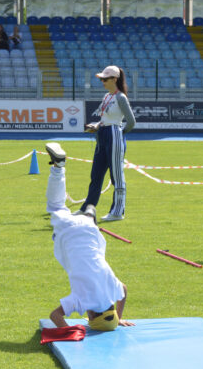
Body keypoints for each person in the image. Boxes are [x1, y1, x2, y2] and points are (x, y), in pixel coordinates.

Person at [43, 142, 134, 330]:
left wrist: (120, 316)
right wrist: (69, 332)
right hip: (68, 233)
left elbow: (124, 291)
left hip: (91, 231)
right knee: (56, 206)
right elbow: (54, 316)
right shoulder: (84, 302)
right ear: (92, 314)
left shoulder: (113, 290)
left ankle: (90, 212)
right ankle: (58, 168)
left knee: (88, 222)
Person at [77, 65, 135, 222]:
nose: (102, 81)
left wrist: (119, 133)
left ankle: (117, 212)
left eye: (105, 79)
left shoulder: (120, 97)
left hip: (114, 135)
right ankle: (87, 208)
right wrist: (96, 126)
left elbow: (131, 122)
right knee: (95, 175)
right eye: (101, 79)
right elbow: (104, 119)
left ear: (114, 79)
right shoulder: (106, 96)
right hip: (102, 135)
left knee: (117, 176)